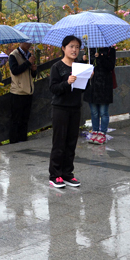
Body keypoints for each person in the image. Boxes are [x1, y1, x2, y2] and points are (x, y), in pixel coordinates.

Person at [48, 35, 85, 189]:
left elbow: (84, 89)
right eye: (71, 46)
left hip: (75, 107)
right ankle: (55, 175)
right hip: (60, 108)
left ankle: (68, 173)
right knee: (59, 142)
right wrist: (66, 82)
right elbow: (53, 88)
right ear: (63, 48)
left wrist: (88, 78)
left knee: (71, 142)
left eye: (77, 47)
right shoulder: (57, 67)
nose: (74, 49)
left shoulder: (80, 66)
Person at [83, 46, 116, 145]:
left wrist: (100, 57)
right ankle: (95, 131)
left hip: (104, 85)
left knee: (103, 111)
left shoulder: (110, 50)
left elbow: (111, 66)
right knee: (94, 112)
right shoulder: (90, 49)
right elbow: (85, 67)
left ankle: (102, 133)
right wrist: (85, 59)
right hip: (92, 85)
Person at [8, 41, 38, 143]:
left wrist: (33, 70)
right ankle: (13, 143)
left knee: (25, 119)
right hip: (17, 92)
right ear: (20, 41)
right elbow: (15, 70)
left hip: (28, 91)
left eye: (30, 41)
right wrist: (28, 62)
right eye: (26, 42)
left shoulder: (29, 55)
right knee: (16, 120)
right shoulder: (13, 55)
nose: (28, 44)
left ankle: (23, 141)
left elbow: (32, 75)